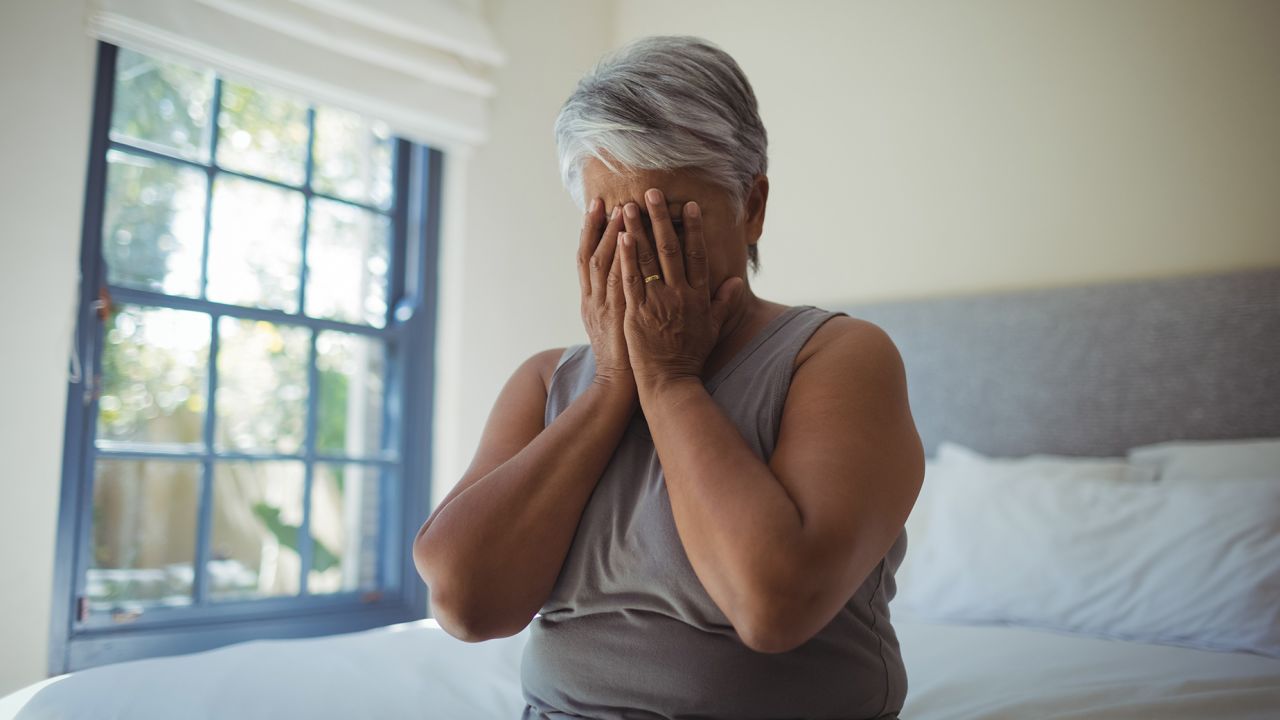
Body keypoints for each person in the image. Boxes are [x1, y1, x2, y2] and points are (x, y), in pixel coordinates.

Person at [412, 35, 924, 720]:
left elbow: (772, 607)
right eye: (615, 225)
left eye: (668, 221)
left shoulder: (838, 358)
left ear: (751, 207)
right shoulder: (544, 383)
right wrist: (607, 390)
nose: (643, 256)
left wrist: (670, 383)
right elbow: (464, 603)